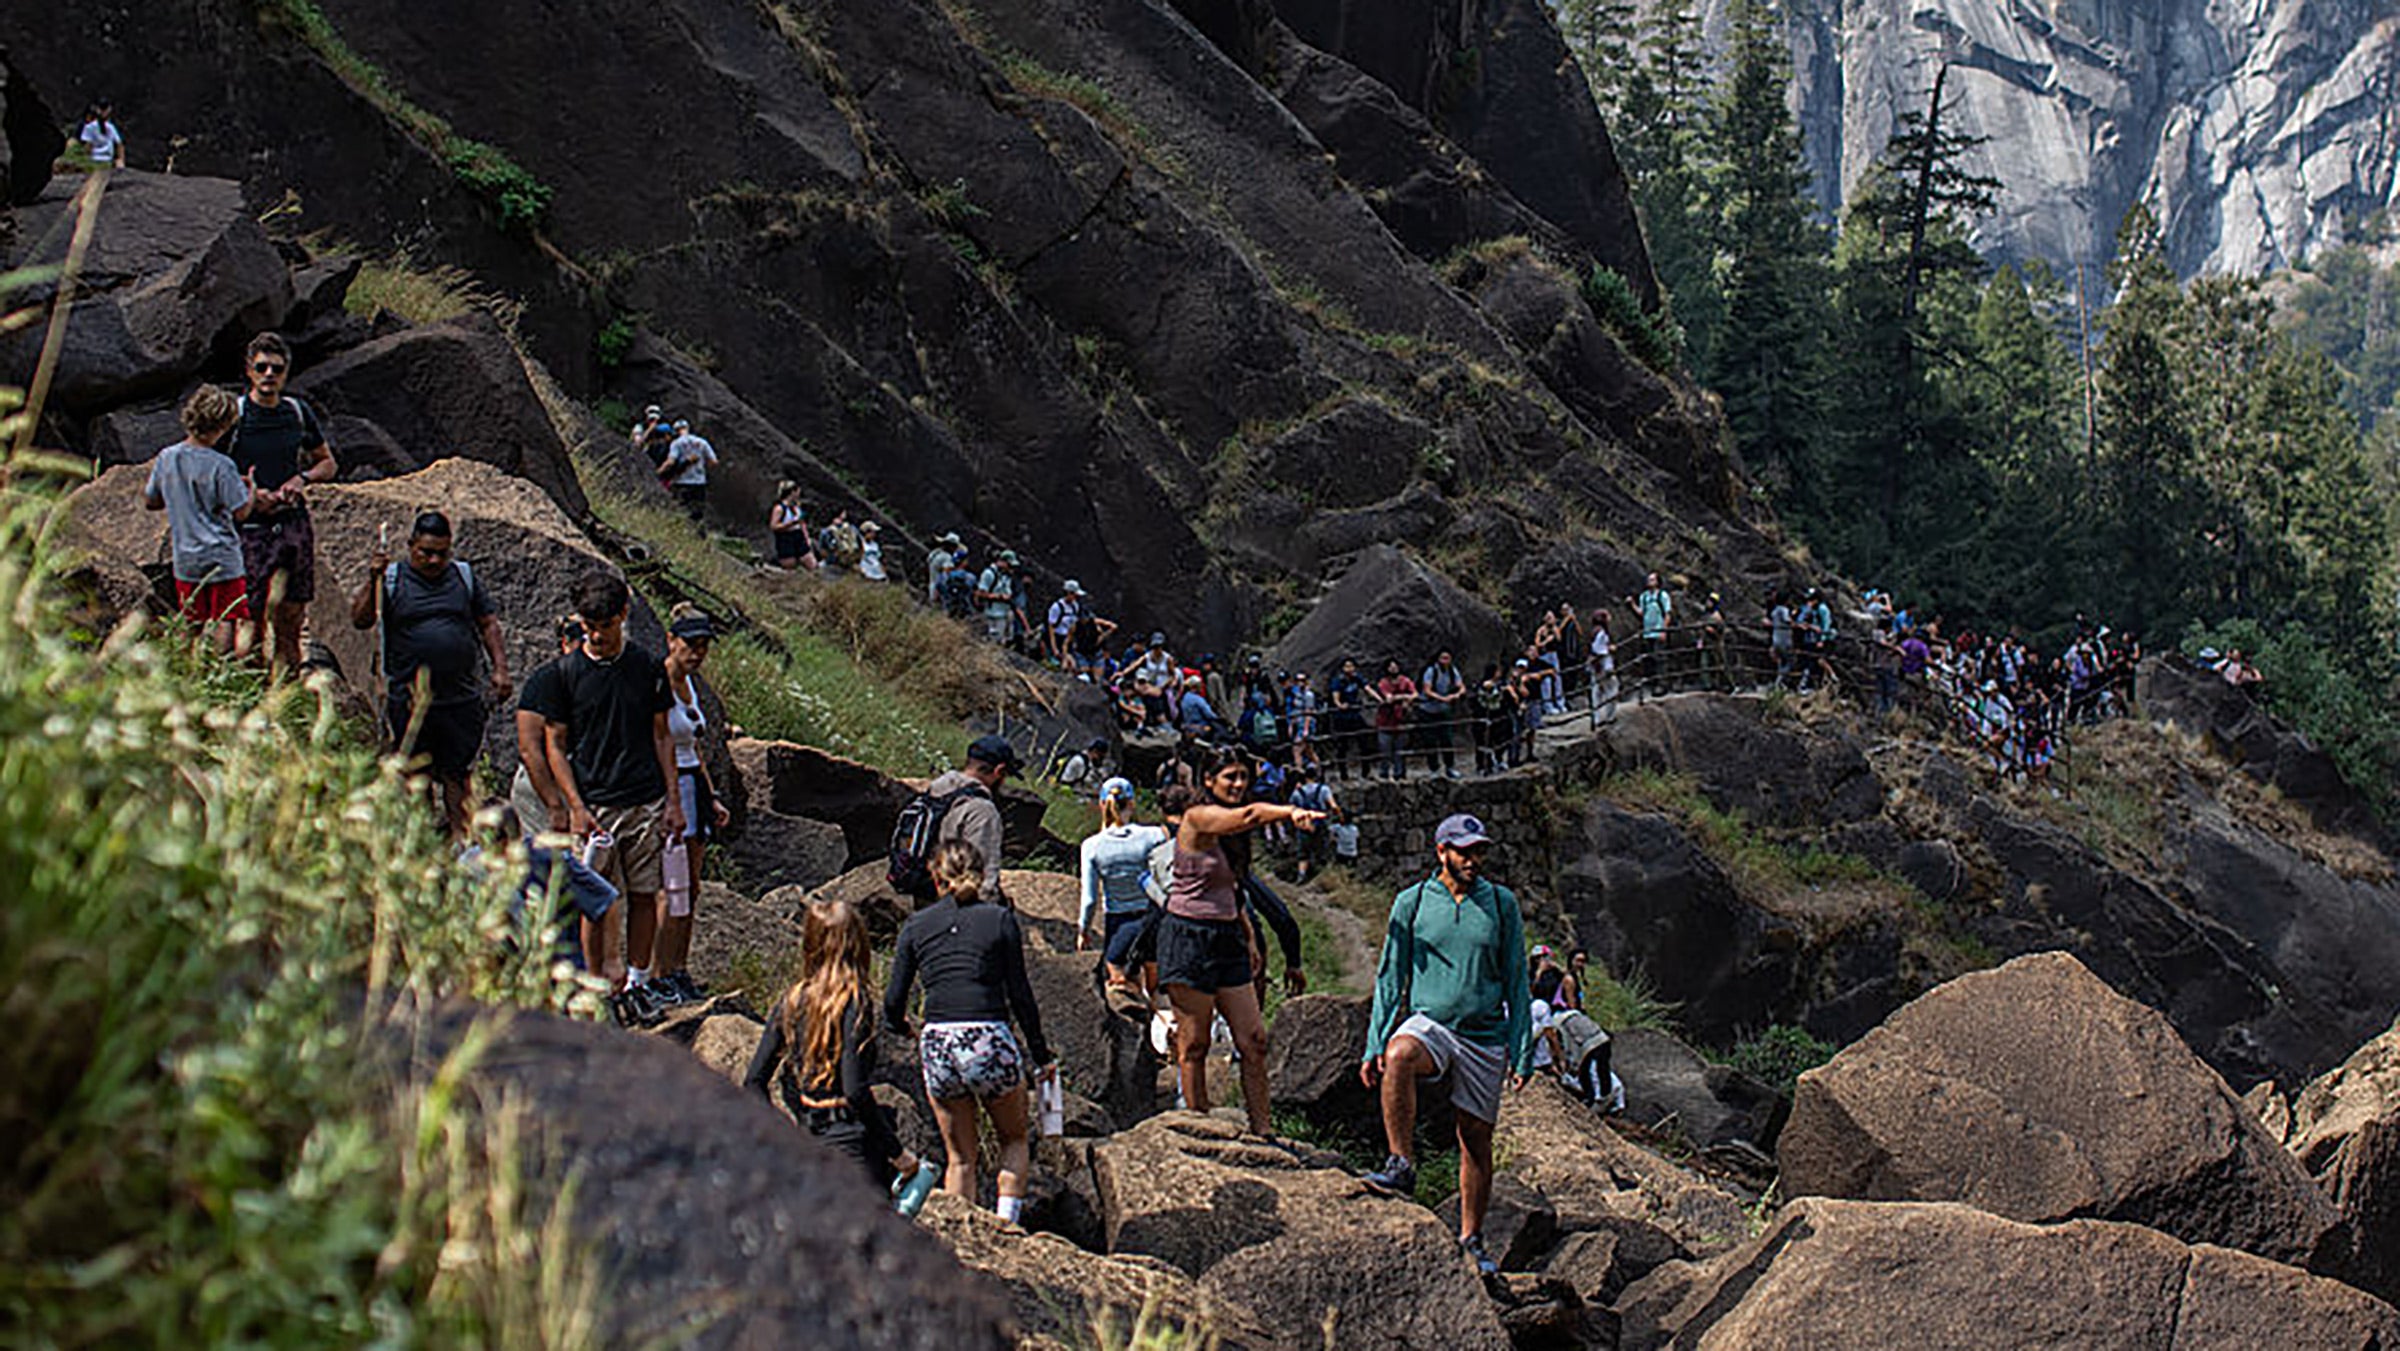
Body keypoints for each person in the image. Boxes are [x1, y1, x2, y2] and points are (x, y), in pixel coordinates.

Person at [1360, 813, 1534, 1275]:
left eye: (1478, 851)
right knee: (1399, 1055)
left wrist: (1522, 1046)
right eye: (1464, 851)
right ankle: (1401, 1162)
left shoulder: (1500, 904)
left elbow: (1518, 977)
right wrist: (1375, 1040)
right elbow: (1390, 976)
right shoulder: (1413, 902)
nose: (1473, 859)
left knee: (1474, 1138)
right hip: (1431, 1023)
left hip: (1483, 1034)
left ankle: (1471, 1239)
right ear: (1442, 852)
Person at [539, 572, 685, 1025]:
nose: (597, 635)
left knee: (645, 894)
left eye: (604, 624)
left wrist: (674, 801)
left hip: (642, 798)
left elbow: (662, 736)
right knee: (594, 901)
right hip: (595, 804)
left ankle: (638, 983)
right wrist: (574, 807)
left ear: (624, 615)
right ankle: (595, 987)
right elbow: (554, 744)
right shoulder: (565, 674)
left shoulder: (645, 668)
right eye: (588, 625)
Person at [1156, 749, 1326, 1135]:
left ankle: (1262, 1128)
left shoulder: (1233, 837)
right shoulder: (1198, 818)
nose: (1238, 784)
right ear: (1208, 780)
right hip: (1188, 936)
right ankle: (1199, 1125)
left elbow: (1232, 889)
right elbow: (1246, 816)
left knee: (1253, 1039)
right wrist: (1287, 812)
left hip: (1228, 934)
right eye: (1229, 777)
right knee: (1194, 1042)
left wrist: (1249, 937)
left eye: (1243, 777)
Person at [886, 840, 1055, 1220]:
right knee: (1013, 1139)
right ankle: (1005, 1226)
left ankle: (960, 1239)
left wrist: (904, 1028)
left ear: (934, 875)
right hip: (987, 1036)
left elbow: (892, 1003)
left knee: (959, 1157)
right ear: (980, 874)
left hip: (939, 1041)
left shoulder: (916, 926)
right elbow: (1020, 995)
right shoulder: (998, 919)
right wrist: (1041, 1055)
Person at [745, 896, 942, 1210]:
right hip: (855, 1147)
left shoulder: (792, 1001)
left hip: (811, 1138)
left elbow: (754, 1081)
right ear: (858, 945)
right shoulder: (856, 1003)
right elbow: (855, 1090)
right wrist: (898, 1154)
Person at [349, 510, 511, 839]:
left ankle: (461, 843)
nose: (435, 560)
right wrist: (372, 578)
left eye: (442, 552)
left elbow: (488, 623)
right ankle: (421, 841)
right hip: (409, 699)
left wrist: (500, 669)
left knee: (457, 775)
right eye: (426, 552)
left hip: (459, 697)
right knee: (415, 773)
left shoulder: (463, 577)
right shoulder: (392, 579)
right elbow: (361, 619)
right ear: (410, 546)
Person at [224, 331, 337, 680]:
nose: (269, 375)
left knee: (292, 615)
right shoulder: (235, 415)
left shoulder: (296, 412)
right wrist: (247, 494)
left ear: (286, 372)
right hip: (249, 525)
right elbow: (213, 469)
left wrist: (301, 479)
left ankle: (288, 688)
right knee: (250, 616)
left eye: (276, 368)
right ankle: (253, 689)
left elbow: (327, 463)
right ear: (249, 370)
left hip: (292, 522)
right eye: (262, 368)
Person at [142, 384, 255, 656]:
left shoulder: (167, 457)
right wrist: (251, 489)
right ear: (223, 425)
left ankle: (186, 672)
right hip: (221, 556)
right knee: (225, 618)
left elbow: (151, 501)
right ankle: (218, 666)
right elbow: (240, 511)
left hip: (185, 556)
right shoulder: (221, 465)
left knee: (190, 618)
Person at [654, 606, 731, 1004]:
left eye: (703, 647)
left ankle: (679, 968)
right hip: (671, 785)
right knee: (672, 886)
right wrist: (672, 798)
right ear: (671, 641)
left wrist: (711, 793)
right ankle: (660, 972)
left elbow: (694, 745)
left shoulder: (689, 684)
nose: (697, 654)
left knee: (693, 887)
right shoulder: (659, 683)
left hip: (693, 782)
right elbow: (658, 741)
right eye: (690, 645)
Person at [1079, 778, 1171, 988]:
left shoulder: (1092, 846)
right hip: (1153, 914)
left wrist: (1083, 930)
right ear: (1132, 803)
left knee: (1116, 970)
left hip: (1119, 920)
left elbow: (1090, 899)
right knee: (1154, 979)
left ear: (1102, 804)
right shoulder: (1155, 835)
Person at [511, 615, 584, 838]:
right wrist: (553, 804)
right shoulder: (546, 681)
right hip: (542, 784)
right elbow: (529, 749)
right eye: (581, 643)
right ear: (566, 644)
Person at [927, 734, 1018, 902]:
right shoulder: (982, 811)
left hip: (927, 895)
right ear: (999, 771)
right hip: (957, 905)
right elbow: (984, 876)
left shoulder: (936, 791)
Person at [1417, 650, 1465, 778]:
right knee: (1430, 740)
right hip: (1427, 710)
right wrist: (1442, 698)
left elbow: (1461, 686)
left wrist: (1457, 694)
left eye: (1448, 658)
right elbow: (1427, 690)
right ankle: (1434, 769)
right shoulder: (1431, 671)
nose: (1445, 661)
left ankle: (1450, 767)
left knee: (1447, 739)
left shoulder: (1452, 671)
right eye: (1443, 658)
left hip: (1443, 710)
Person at [1288, 763, 1339, 884]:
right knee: (1321, 850)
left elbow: (1290, 809)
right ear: (1316, 775)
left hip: (1304, 824)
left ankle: (1301, 876)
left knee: (1303, 853)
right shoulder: (1324, 789)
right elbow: (1333, 806)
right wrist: (1338, 815)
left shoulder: (1297, 792)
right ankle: (1322, 878)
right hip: (1320, 823)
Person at [659, 420, 718, 521]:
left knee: (682, 510)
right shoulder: (702, 442)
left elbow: (670, 462)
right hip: (699, 481)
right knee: (698, 511)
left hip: (682, 481)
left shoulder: (676, 443)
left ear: (676, 431)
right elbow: (714, 461)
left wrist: (659, 471)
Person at [1371, 659, 1417, 780]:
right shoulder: (1383, 682)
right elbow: (1388, 698)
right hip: (1385, 721)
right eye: (1391, 667)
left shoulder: (1405, 680)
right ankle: (1384, 774)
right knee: (1385, 751)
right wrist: (1404, 697)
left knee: (1400, 751)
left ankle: (1399, 774)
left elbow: (1414, 694)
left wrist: (1403, 698)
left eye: (1395, 667)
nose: (1394, 669)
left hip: (1401, 720)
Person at [1325, 658, 1368, 781]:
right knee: (1343, 745)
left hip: (1355, 714)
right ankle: (1343, 773)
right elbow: (1336, 696)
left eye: (1351, 666)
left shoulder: (1356, 678)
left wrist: (1380, 699)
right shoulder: (1338, 681)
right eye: (1347, 666)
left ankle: (1365, 770)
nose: (1349, 669)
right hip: (1342, 717)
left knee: (1363, 742)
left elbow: (1367, 688)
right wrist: (1339, 705)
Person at [1636, 572, 1673, 694]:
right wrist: (1631, 605)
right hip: (1648, 632)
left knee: (1660, 658)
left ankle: (1662, 684)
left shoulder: (1662, 595)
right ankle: (1652, 682)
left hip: (1658, 631)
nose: (1649, 582)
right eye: (1648, 579)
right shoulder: (1644, 597)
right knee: (1650, 658)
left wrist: (1664, 630)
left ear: (1658, 582)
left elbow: (1667, 614)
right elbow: (1642, 613)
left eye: (1652, 580)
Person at [975, 550, 1020, 646]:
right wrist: (1000, 597)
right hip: (991, 614)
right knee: (991, 641)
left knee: (1001, 641)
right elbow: (981, 593)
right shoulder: (989, 574)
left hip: (1003, 613)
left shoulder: (1006, 576)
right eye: (1009, 565)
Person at [770, 483, 814, 571]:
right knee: (789, 565)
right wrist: (791, 523)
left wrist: (806, 537)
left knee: (810, 562)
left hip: (798, 535)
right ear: (792, 492)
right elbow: (773, 526)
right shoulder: (779, 508)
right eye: (797, 492)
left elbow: (802, 523)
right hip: (785, 537)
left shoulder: (797, 506)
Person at [1045, 581, 1087, 667]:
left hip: (1067, 638)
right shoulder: (1057, 607)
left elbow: (1074, 624)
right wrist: (1054, 648)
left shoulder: (1075, 606)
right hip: (1057, 636)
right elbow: (1051, 627)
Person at [1588, 607, 1618, 719]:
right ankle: (1609, 716)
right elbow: (1598, 649)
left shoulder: (1595, 631)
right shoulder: (1600, 632)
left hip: (1596, 665)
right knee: (1611, 689)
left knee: (1596, 691)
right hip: (1603, 665)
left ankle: (1597, 718)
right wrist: (1609, 649)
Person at [78, 99, 124, 168]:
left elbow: (119, 144)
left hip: (107, 160)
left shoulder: (110, 127)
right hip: (95, 160)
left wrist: (120, 160)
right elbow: (88, 146)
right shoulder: (91, 127)